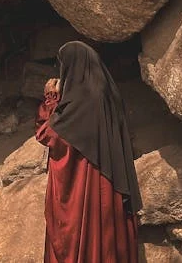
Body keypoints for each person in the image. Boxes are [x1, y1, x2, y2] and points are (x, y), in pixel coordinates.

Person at [35, 40, 142, 263]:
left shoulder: (77, 102)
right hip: (110, 186)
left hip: (86, 185)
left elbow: (47, 135)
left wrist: (51, 99)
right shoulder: (109, 95)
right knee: (107, 241)